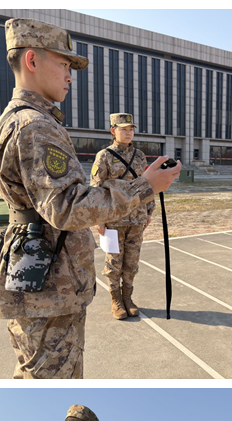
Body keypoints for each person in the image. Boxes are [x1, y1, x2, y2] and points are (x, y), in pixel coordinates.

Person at [0, 18, 181, 379]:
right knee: (50, 376)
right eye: (64, 64)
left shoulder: (22, 119)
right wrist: (145, 186)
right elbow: (66, 206)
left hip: (41, 273)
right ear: (32, 60)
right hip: (49, 284)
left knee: (36, 373)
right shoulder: (35, 126)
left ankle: (126, 298)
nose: (69, 76)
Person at [90, 113, 157, 319]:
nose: (128, 133)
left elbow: (146, 184)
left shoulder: (140, 155)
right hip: (113, 220)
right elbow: (96, 188)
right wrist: (99, 219)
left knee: (131, 262)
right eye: (123, 129)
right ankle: (116, 300)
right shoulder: (104, 156)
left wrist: (149, 210)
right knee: (114, 262)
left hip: (136, 218)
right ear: (113, 131)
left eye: (131, 130)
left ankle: (128, 298)